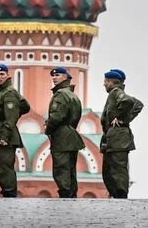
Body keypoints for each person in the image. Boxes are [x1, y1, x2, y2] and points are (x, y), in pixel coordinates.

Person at [0, 64, 27, 197]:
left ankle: (10, 196)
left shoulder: (8, 92)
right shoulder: (1, 92)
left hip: (4, 136)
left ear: (8, 76)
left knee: (4, 169)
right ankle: (8, 194)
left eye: (2, 74)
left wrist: (4, 137)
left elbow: (11, 118)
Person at [45, 67, 85, 198]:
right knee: (71, 169)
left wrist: (48, 129)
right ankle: (72, 195)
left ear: (65, 77)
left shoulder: (60, 94)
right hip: (72, 135)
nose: (54, 77)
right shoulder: (73, 95)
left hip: (62, 136)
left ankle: (65, 196)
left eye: (58, 75)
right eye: (53, 75)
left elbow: (56, 116)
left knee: (61, 169)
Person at [100, 70, 136, 198]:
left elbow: (128, 102)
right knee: (110, 169)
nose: (104, 84)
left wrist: (120, 117)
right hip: (114, 137)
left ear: (110, 82)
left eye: (105, 82)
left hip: (118, 138)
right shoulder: (114, 94)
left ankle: (120, 196)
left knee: (118, 168)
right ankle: (117, 194)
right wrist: (126, 118)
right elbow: (137, 105)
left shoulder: (116, 92)